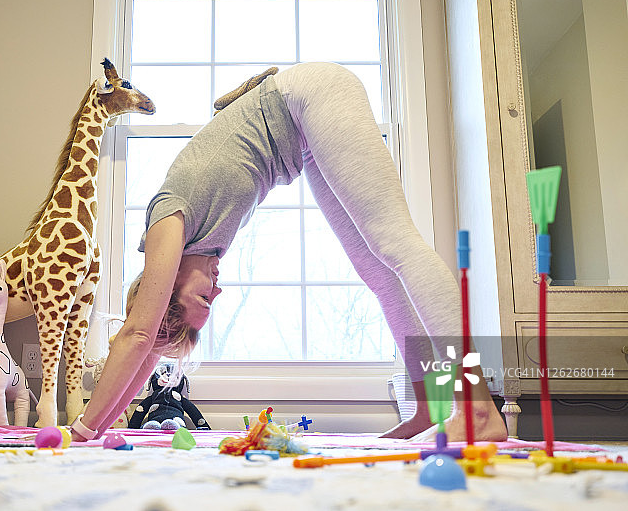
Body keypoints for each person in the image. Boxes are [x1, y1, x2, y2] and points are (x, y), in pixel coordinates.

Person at [69, 62, 507, 442]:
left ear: (168, 289)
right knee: (378, 272)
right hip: (302, 138)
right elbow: (148, 352)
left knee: (396, 243)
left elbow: (138, 335)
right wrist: (101, 429)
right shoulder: (202, 245)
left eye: (203, 297)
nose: (218, 292)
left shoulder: (167, 222)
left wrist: (82, 430)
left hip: (308, 97)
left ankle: (477, 408)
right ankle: (430, 408)